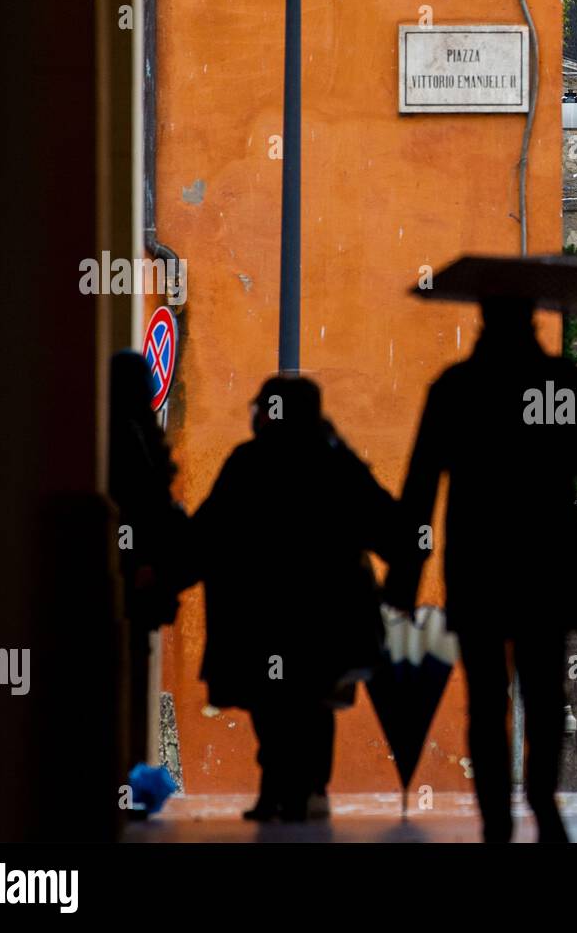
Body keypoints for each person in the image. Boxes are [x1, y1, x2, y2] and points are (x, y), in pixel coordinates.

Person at [387, 298, 577, 842]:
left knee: (484, 700)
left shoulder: (455, 387)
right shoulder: (562, 381)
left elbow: (419, 487)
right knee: (544, 692)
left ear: (483, 319)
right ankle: (542, 800)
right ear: (532, 321)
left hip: (479, 559)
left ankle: (494, 815)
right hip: (544, 561)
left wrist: (403, 579)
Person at [193, 375, 404, 822]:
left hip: (258, 616)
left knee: (270, 704)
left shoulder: (249, 462)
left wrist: (163, 574)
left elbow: (206, 533)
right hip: (324, 621)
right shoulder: (332, 462)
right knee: (313, 701)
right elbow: (386, 523)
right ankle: (307, 788)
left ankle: (278, 787)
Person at [108, 350, 189, 770]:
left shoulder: (111, 436)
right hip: (142, 574)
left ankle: (121, 772)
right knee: (133, 666)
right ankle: (130, 768)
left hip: (123, 573)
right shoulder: (142, 437)